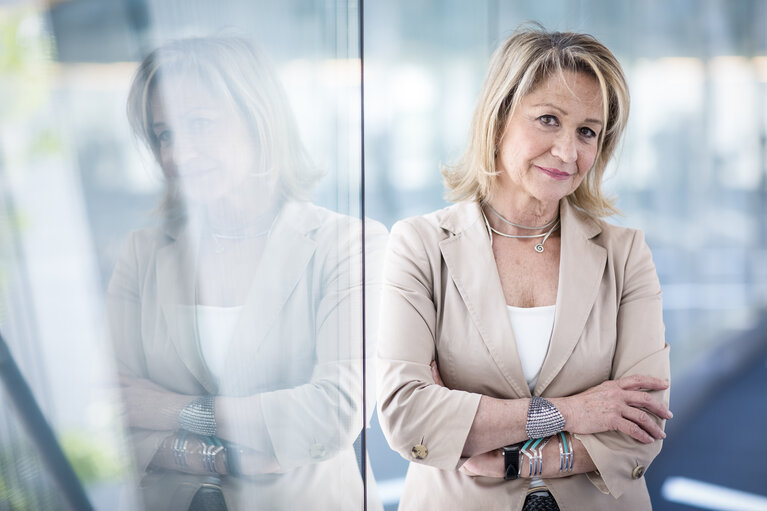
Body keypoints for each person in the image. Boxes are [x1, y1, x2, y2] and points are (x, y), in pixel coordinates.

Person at [376, 27, 671, 511]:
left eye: (587, 132)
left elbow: (642, 427)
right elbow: (409, 417)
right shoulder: (420, 246)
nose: (567, 152)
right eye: (548, 119)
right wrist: (575, 412)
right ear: (497, 121)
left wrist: (510, 459)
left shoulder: (625, 254)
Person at [107, 36, 385, 510]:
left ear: (260, 121)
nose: (176, 153)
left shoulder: (349, 245)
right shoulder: (144, 252)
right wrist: (220, 455)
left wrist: (173, 413)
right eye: (164, 134)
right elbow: (106, 410)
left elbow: (333, 413)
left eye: (200, 125)